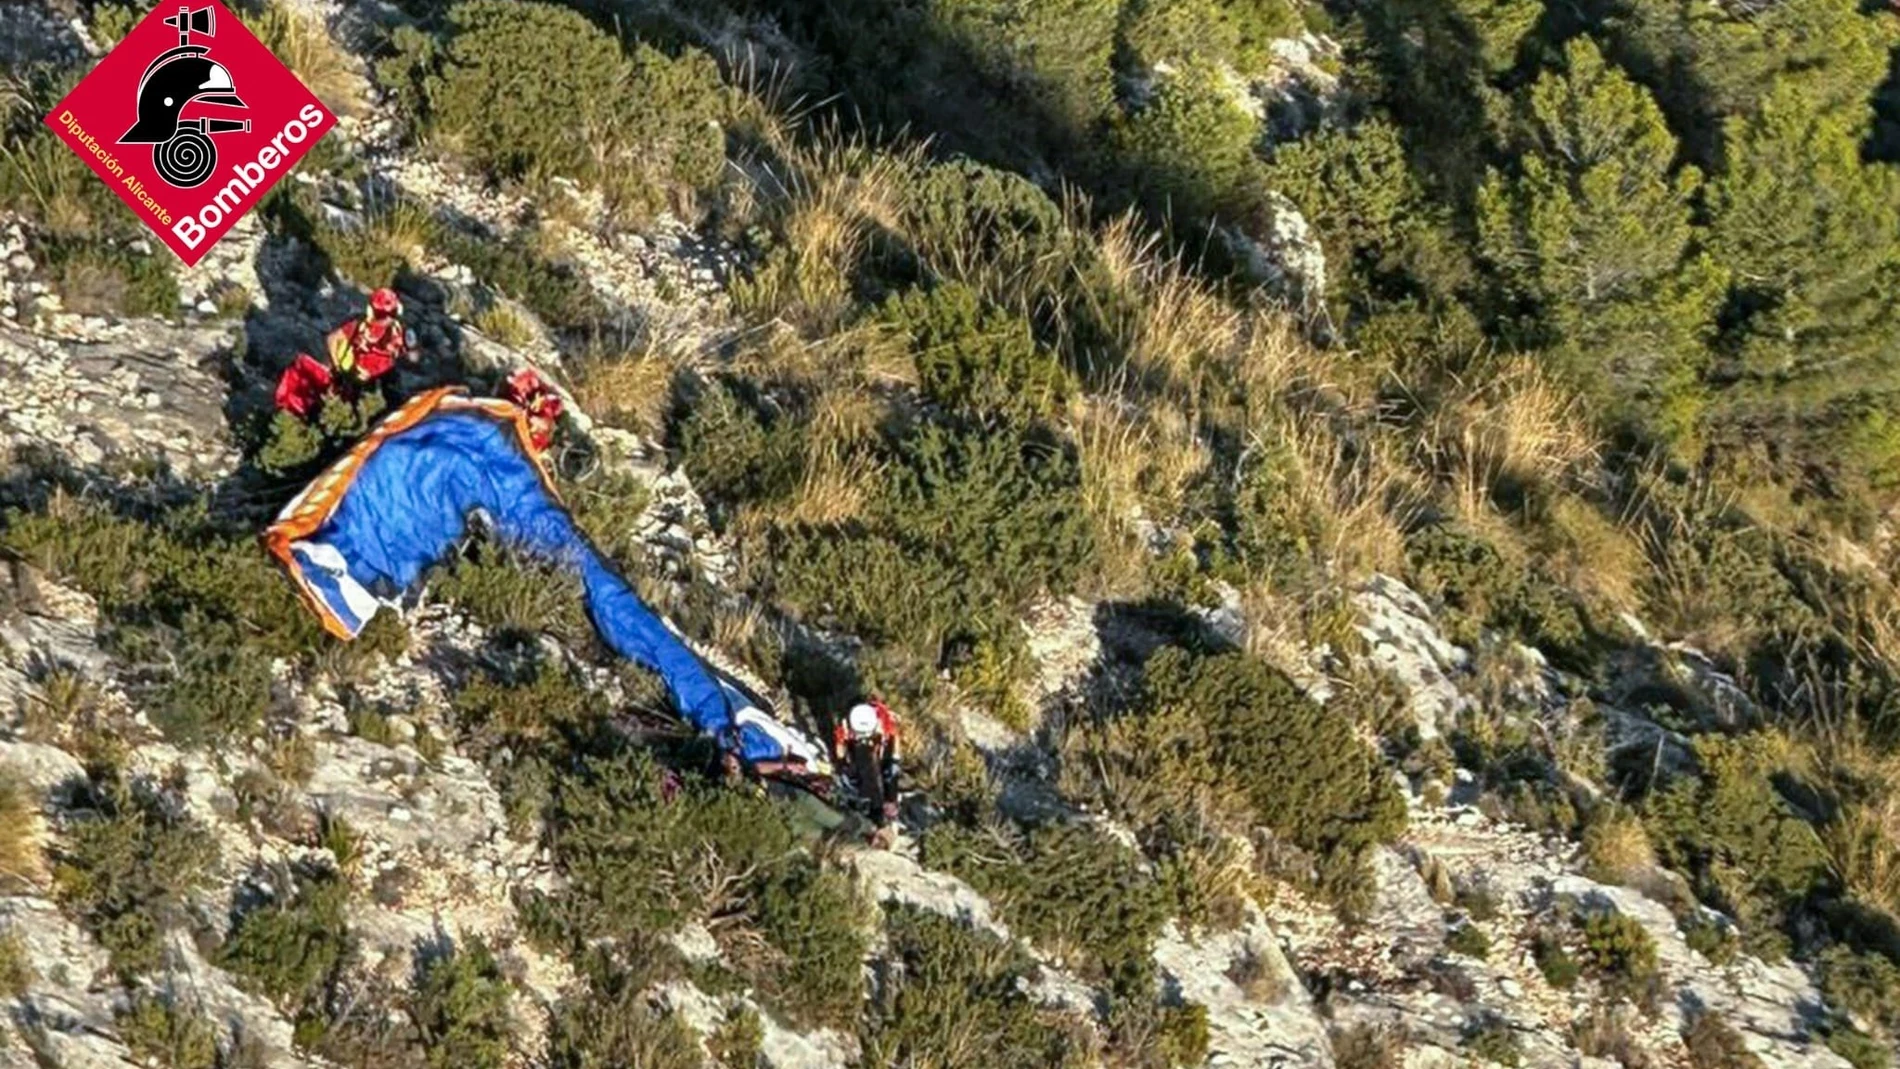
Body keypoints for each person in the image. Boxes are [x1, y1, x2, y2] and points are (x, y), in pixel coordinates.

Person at [274, 287, 414, 418]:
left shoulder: (397, 329)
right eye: (383, 315)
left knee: (392, 396)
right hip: (356, 378)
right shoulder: (359, 325)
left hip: (382, 377)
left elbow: (411, 353)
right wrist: (339, 368)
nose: (387, 319)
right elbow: (332, 339)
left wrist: (409, 352)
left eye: (391, 314)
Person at [833, 699, 901, 838]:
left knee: (889, 772)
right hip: (856, 744)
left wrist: (894, 762)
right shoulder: (846, 724)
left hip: (880, 742)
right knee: (852, 772)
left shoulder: (886, 722)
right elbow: (840, 747)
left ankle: (888, 808)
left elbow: (895, 746)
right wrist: (842, 766)